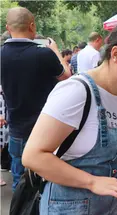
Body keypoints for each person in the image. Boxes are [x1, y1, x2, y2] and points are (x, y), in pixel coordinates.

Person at [22, 20, 117, 215]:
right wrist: (92, 181)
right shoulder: (76, 91)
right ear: (115, 54)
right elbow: (33, 156)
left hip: (111, 212)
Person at [1, 7, 71, 190]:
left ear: (8, 28)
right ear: (32, 26)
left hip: (16, 127)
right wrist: (55, 50)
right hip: (45, 129)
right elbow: (67, 76)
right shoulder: (44, 54)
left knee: (19, 181)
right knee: (45, 180)